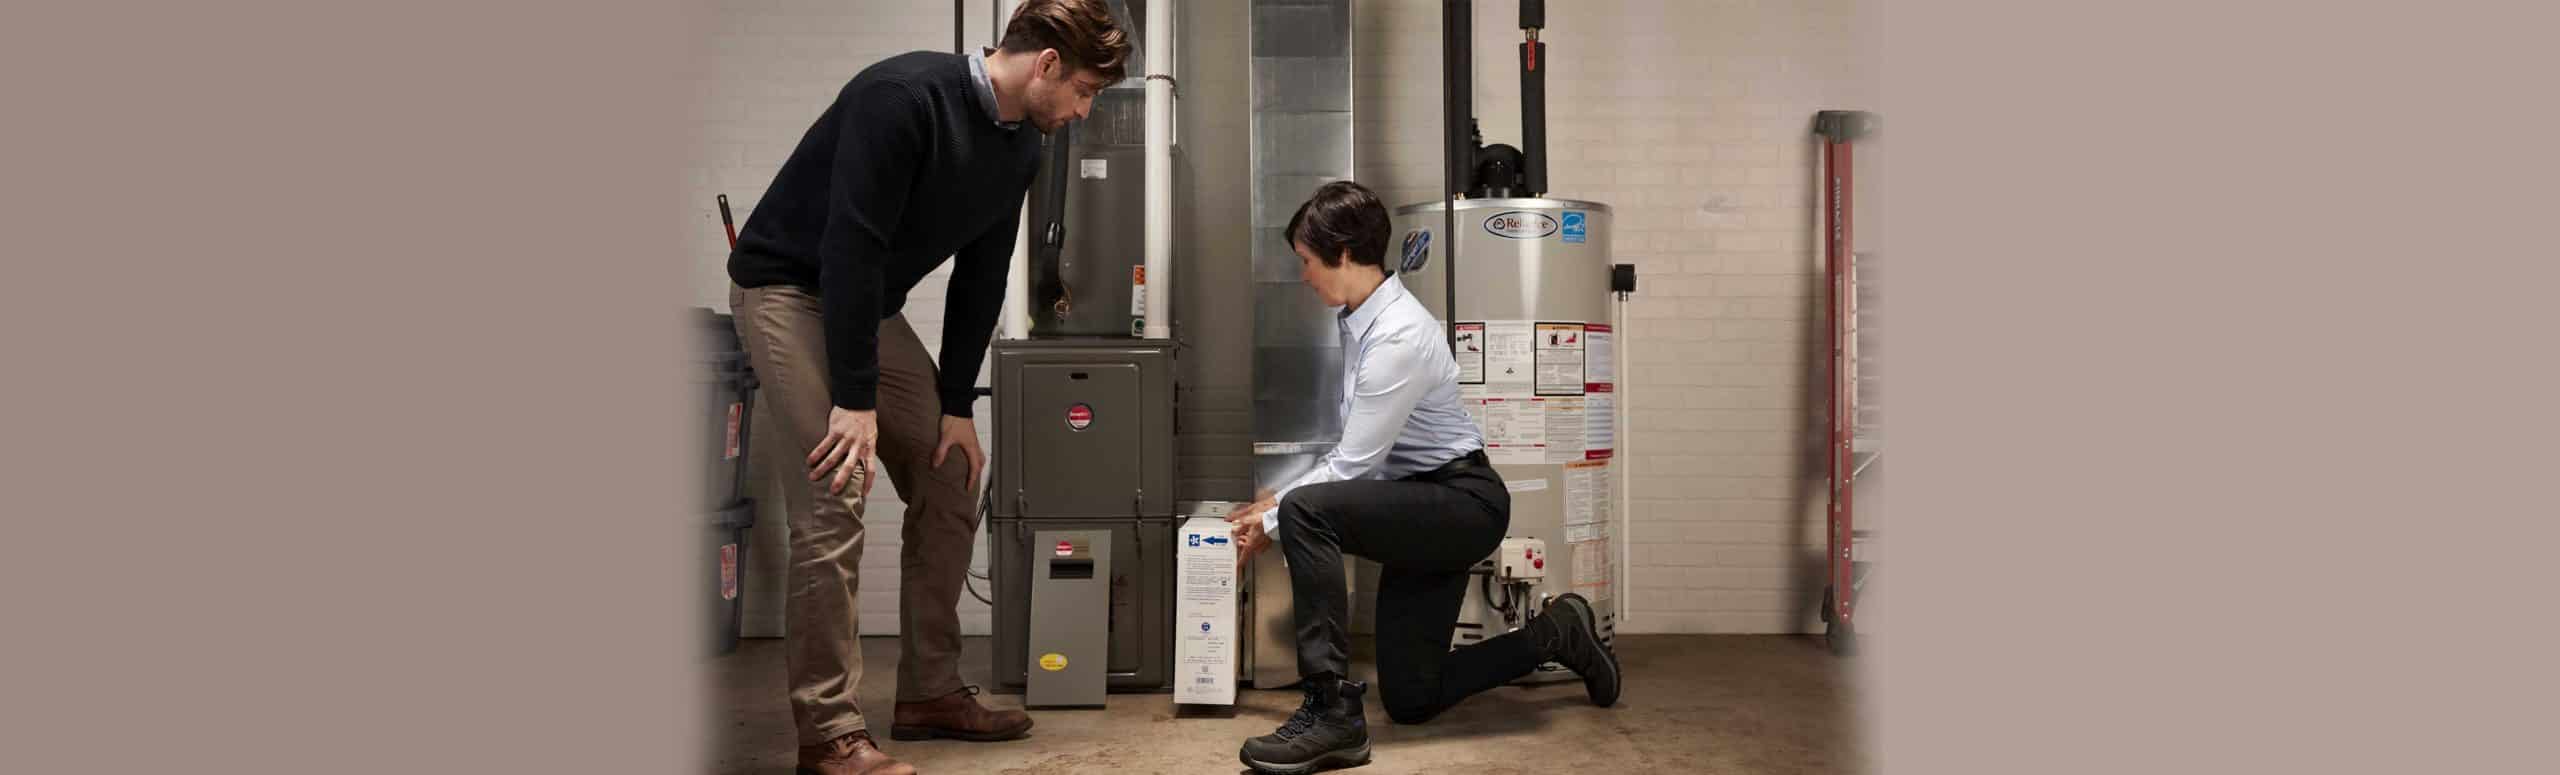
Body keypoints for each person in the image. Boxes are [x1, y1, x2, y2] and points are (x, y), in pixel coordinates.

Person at [723, 2, 1129, 773]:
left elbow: (981, 276)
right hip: (787, 289)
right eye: (1083, 90)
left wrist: (954, 408)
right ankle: (829, 732)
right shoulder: (903, 99)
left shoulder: (1020, 152)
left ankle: (929, 691)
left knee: (951, 470)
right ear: (1044, 65)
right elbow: (851, 245)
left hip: (862, 303)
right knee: (835, 488)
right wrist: (853, 397)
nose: (1082, 109)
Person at [1224, 181, 1625, 775]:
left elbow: (1353, 466)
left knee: (1307, 512)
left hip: (1461, 504)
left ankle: (1332, 713)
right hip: (1419, 504)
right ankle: (1556, 635)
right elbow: (1354, 454)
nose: (1303, 276)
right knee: (1414, 697)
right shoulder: (1360, 319)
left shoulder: (1398, 337)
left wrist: (1275, 517)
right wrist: (1273, 503)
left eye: (1307, 262)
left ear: (1342, 254)